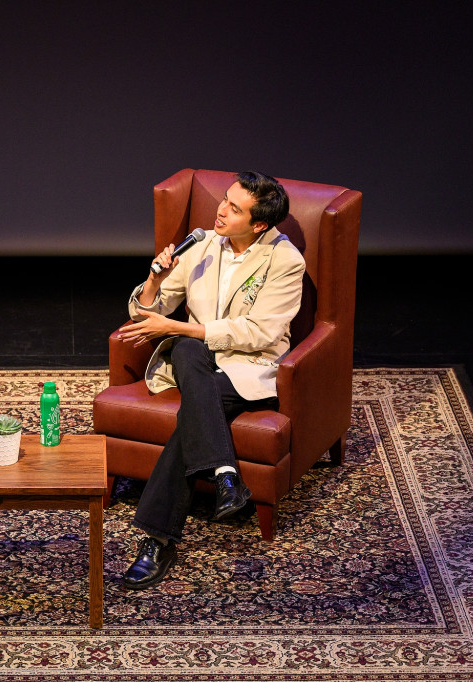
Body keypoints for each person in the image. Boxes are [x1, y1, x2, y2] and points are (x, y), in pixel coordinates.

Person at [115, 171, 304, 589]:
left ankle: (157, 540)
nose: (220, 210)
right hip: (198, 361)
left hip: (248, 368)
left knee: (190, 406)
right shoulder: (203, 245)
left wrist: (181, 329)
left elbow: (261, 333)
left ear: (259, 225)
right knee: (184, 349)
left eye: (234, 209)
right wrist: (155, 279)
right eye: (224, 200)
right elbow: (144, 314)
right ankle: (225, 476)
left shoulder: (285, 261)